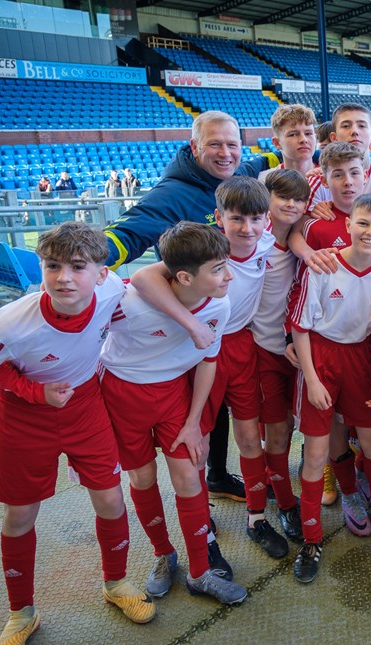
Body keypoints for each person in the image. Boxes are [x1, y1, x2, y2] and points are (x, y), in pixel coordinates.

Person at [0, 222, 155, 645]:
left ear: (101, 273)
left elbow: (149, 287)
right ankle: (21, 612)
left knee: (109, 497)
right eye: (52, 266)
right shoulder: (13, 323)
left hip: (86, 407)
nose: (64, 277)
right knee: (19, 515)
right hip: (23, 418)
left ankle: (116, 583)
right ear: (41, 267)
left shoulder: (111, 293)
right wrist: (33, 390)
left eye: (77, 266)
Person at [103, 110, 275, 505]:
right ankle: (201, 516)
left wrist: (289, 153)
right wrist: (92, 262)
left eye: (232, 144)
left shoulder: (238, 176)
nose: (225, 153)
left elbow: (263, 161)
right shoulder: (173, 194)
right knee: (196, 425)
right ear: (194, 147)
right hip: (188, 338)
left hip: (234, 337)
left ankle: (220, 479)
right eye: (214, 144)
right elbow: (129, 233)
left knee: (228, 420)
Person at [130, 177, 290, 566]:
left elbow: (293, 230)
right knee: (195, 446)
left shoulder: (266, 240)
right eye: (237, 219)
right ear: (218, 217)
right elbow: (143, 276)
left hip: (241, 347)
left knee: (250, 438)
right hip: (199, 351)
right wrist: (190, 322)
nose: (247, 229)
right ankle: (202, 526)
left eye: (256, 220)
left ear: (265, 220)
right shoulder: (204, 250)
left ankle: (256, 517)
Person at [99, 221, 247, 605]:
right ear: (183, 276)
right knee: (143, 477)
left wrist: (195, 422)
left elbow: (208, 362)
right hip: (122, 394)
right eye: (217, 269)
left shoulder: (221, 302)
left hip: (175, 397)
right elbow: (139, 279)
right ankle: (163, 554)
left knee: (188, 476)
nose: (228, 275)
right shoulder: (126, 303)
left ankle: (200, 572)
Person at [290, 194, 371, 583]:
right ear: (349, 225)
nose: (370, 232)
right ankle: (311, 538)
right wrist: (313, 377)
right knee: (315, 452)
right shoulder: (322, 264)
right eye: (363, 223)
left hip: (362, 358)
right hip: (320, 356)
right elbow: (300, 327)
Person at [250, 169, 311, 544]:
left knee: (297, 425)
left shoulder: (300, 236)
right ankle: (286, 504)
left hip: (300, 349)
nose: (290, 205)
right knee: (277, 430)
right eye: (282, 198)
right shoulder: (253, 242)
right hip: (265, 350)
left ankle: (279, 484)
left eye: (298, 200)